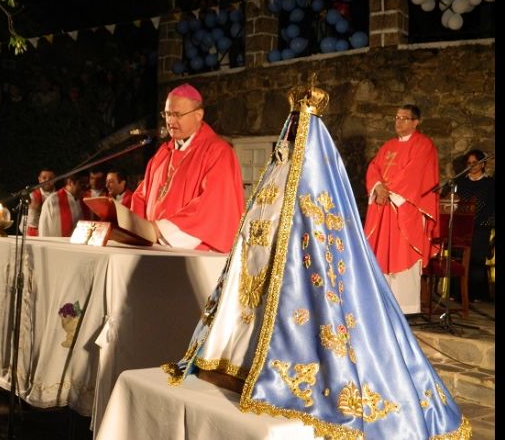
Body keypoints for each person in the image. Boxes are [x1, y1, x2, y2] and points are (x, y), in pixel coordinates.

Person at [163, 83, 470, 439]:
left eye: (300, 127)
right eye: (291, 125)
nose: (293, 134)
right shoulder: (279, 171)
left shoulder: (325, 181)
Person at [130, 83, 244, 253]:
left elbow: (213, 207)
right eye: (167, 114)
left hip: (193, 255)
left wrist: (159, 230)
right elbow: (141, 197)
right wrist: (133, 227)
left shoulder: (218, 152)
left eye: (177, 114)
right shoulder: (162, 154)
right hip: (152, 250)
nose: (170, 121)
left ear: (198, 115)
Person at [363, 104, 440, 314]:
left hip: (407, 209)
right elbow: (374, 168)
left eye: (404, 118)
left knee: (402, 253)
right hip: (384, 208)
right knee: (382, 253)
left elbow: (415, 174)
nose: (398, 121)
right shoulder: (388, 146)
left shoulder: (424, 145)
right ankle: (382, 304)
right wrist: (378, 187)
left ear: (416, 122)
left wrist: (388, 191)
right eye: (396, 117)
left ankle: (406, 307)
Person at [455, 149, 495, 302]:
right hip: (462, 226)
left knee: (477, 259)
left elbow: (490, 206)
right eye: (469, 163)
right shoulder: (460, 182)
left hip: (481, 226)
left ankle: (477, 294)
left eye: (475, 162)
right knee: (459, 258)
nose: (472, 165)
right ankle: (458, 293)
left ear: (483, 164)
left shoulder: (490, 183)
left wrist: (475, 222)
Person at [22, 167, 56, 236]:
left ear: (55, 179)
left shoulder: (59, 196)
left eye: (50, 178)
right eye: (44, 178)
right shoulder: (32, 195)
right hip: (32, 235)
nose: (47, 181)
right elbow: (27, 223)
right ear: (39, 179)